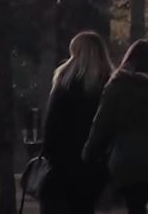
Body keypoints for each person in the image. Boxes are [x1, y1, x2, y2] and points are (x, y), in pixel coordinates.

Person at [83, 40, 148, 214]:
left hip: (124, 156)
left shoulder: (117, 84)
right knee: (138, 203)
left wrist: (88, 152)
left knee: (132, 202)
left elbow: (102, 123)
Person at [40, 31, 114, 214]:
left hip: (63, 164)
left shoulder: (64, 82)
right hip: (93, 164)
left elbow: (51, 127)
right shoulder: (108, 84)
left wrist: (49, 155)